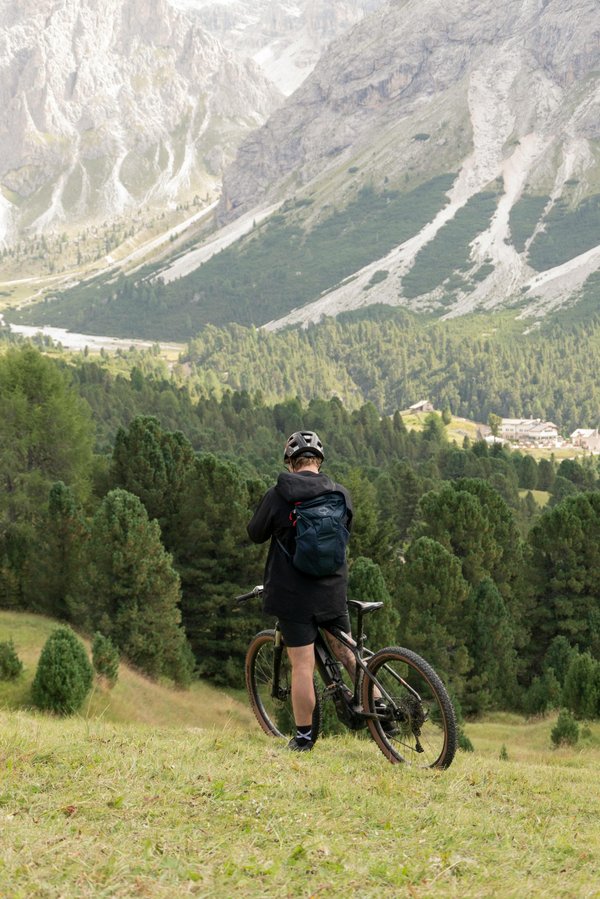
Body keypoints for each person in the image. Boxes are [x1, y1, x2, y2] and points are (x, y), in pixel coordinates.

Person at [247, 430, 355, 751]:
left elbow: (255, 533)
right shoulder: (341, 494)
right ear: (318, 461)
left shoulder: (279, 495)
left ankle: (304, 738)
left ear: (291, 463)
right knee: (349, 656)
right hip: (332, 590)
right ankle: (381, 713)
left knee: (303, 665)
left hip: (293, 595)